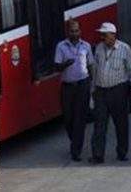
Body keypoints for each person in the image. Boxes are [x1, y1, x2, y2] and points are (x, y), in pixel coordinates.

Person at [90, 22, 131, 164]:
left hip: (118, 91)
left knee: (121, 124)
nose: (102, 37)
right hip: (101, 92)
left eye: (104, 35)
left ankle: (122, 152)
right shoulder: (99, 48)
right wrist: (92, 91)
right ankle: (98, 155)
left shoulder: (125, 49)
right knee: (99, 124)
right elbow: (95, 71)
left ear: (113, 35)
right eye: (101, 35)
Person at [54, 19, 94, 162]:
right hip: (67, 86)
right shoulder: (61, 46)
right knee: (68, 119)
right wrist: (66, 64)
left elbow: (91, 65)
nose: (75, 33)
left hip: (83, 84)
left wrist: (93, 85)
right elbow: (56, 67)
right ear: (68, 32)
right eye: (72, 31)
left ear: (80, 31)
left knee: (80, 119)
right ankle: (75, 141)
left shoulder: (86, 46)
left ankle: (76, 150)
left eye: (77, 30)